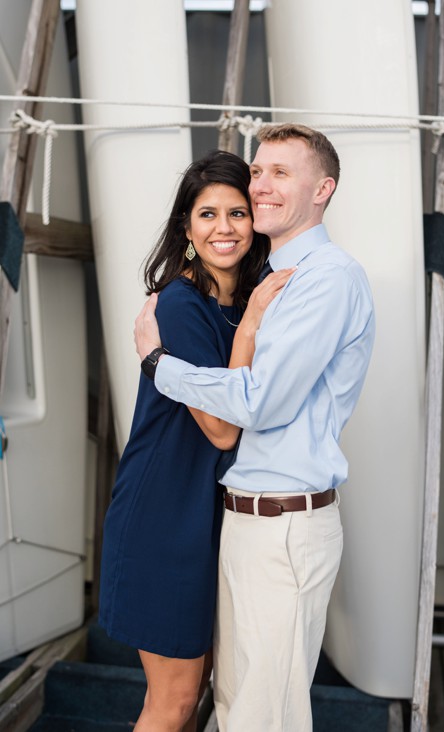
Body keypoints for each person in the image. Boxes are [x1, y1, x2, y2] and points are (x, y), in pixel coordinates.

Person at [134, 123, 376, 732]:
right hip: (244, 523)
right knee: (238, 712)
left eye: (281, 173)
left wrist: (160, 365)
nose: (262, 185)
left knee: (264, 720)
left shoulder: (326, 278)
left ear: (323, 189)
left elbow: (258, 402)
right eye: (259, 171)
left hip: (285, 527)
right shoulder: (266, 284)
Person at [99, 149, 292, 732]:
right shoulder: (182, 305)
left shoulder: (242, 297)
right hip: (164, 515)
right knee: (175, 700)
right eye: (207, 215)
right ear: (186, 228)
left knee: (200, 690)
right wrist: (255, 319)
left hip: (207, 515)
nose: (224, 229)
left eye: (237, 213)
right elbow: (222, 426)